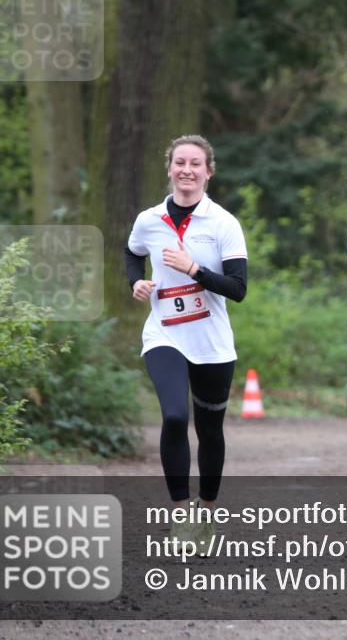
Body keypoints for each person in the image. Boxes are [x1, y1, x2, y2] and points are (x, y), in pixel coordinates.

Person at [125, 135, 248, 554]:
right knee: (175, 417)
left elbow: (238, 289)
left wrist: (194, 269)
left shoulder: (223, 224)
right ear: (170, 168)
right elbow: (132, 252)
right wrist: (136, 281)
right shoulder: (149, 220)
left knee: (209, 429)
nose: (187, 170)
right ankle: (181, 516)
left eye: (196, 164)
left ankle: (206, 513)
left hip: (212, 342)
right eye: (180, 162)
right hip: (165, 334)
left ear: (208, 172)